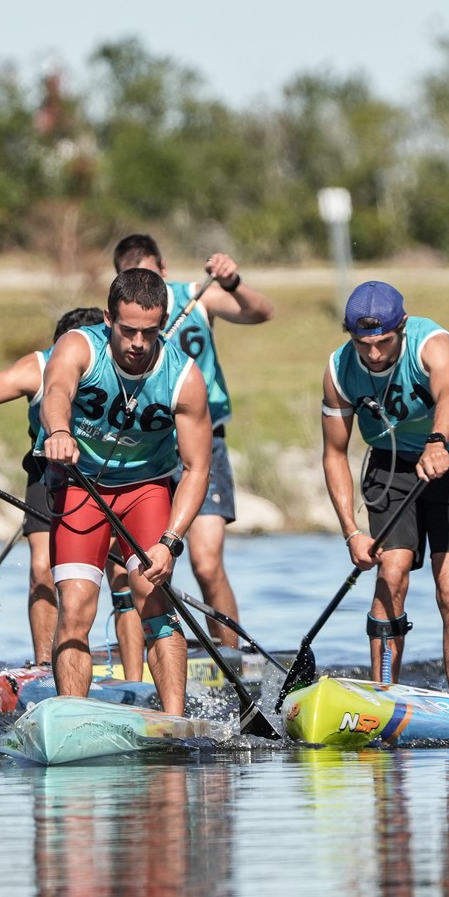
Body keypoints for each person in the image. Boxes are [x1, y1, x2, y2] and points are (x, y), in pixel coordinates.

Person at [0, 307, 143, 673]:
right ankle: (42, 667)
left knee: (121, 576)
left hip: (113, 474)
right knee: (41, 568)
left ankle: (136, 680)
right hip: (51, 473)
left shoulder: (123, 364)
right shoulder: (37, 369)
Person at [39, 267, 214, 714]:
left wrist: (171, 543)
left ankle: (175, 721)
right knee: (76, 606)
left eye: (149, 332)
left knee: (152, 600)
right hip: (83, 488)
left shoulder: (183, 377)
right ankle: (71, 719)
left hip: (147, 490)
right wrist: (60, 430)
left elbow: (196, 469)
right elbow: (57, 389)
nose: (138, 343)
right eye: (128, 331)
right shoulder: (79, 345)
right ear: (107, 318)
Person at [319, 280, 449, 701]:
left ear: (403, 327)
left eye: (384, 342)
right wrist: (351, 532)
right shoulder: (340, 369)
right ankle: (382, 697)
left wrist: (438, 441)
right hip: (390, 464)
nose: (373, 354)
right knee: (390, 570)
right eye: (363, 344)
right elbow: (334, 454)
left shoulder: (434, 345)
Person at [110, 234, 275, 654]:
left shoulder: (196, 298)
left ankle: (235, 659)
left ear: (163, 271)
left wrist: (233, 281)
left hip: (204, 446)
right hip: (146, 449)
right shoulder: (125, 324)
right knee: (130, 568)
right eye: (132, 280)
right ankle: (143, 663)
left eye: (150, 277)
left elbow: (261, 313)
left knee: (204, 560)